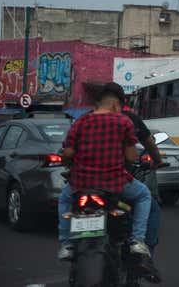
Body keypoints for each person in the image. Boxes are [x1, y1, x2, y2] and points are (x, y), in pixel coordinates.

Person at [57, 85, 154, 266]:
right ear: (117, 105)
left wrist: (69, 160)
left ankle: (66, 244)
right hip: (115, 183)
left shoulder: (81, 121)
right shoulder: (124, 122)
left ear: (96, 105)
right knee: (143, 195)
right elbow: (132, 157)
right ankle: (137, 241)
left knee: (63, 199)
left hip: (81, 182)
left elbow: (68, 154)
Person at [102, 82, 164, 255]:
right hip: (117, 181)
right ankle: (142, 249)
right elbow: (148, 145)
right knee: (147, 200)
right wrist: (156, 161)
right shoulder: (128, 119)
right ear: (122, 101)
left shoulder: (89, 117)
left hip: (86, 181)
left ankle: (68, 245)